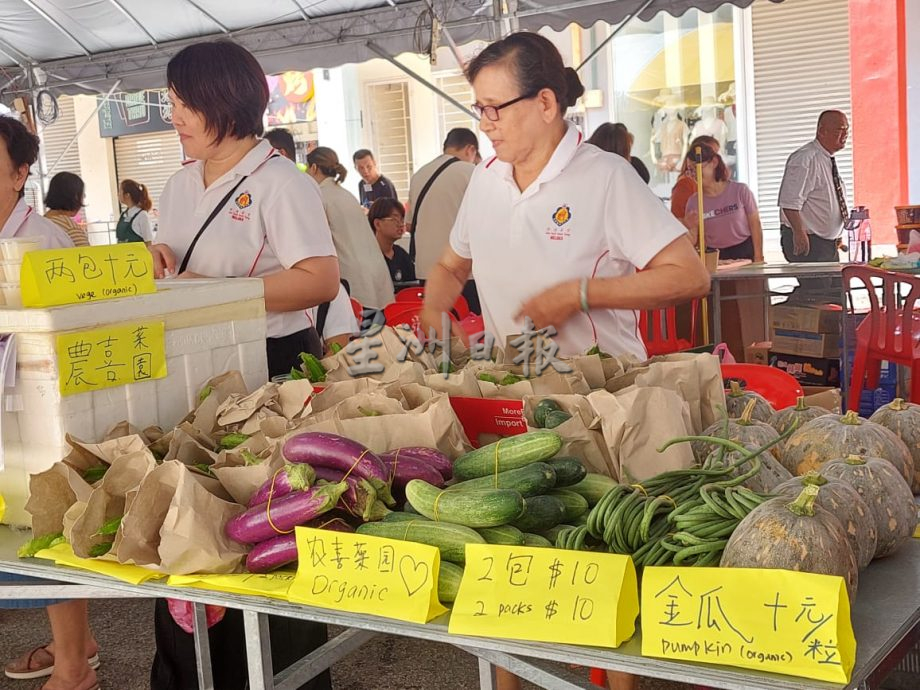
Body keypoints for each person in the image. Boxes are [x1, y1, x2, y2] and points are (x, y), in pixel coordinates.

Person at [146, 40, 338, 690]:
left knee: (266, 528)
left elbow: (319, 279)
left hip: (269, 375)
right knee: (193, 521)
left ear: (223, 102)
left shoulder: (279, 183)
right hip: (193, 371)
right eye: (171, 103)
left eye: (182, 103)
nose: (173, 116)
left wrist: (216, 291)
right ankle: (195, 673)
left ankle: (281, 672)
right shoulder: (176, 184)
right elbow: (170, 260)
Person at [420, 31, 709, 365]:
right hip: (518, 391)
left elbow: (690, 276)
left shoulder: (606, 177)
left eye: (494, 108)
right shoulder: (484, 178)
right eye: (480, 108)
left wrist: (579, 294)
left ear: (545, 103)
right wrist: (436, 308)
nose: (485, 125)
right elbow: (451, 266)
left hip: (606, 396)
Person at [0, 116, 97, 690]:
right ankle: (75, 644)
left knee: (48, 519)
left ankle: (73, 665)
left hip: (37, 402)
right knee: (15, 526)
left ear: (19, 174)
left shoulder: (43, 241)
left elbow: (63, 328)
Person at [306, 146, 394, 309]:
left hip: (355, 279)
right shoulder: (346, 194)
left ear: (314, 168)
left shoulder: (320, 196)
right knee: (378, 330)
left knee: (362, 332)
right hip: (375, 272)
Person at [406, 127, 480, 312]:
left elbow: (409, 224)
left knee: (442, 330)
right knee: (470, 328)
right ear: (470, 150)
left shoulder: (419, 175)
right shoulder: (471, 172)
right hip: (462, 271)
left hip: (427, 270)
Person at [778, 110, 850, 264]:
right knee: (816, 288)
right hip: (809, 241)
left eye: (847, 130)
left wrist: (835, 233)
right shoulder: (805, 158)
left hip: (827, 242)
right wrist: (798, 232)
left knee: (836, 287)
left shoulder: (826, 158)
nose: (845, 135)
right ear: (822, 131)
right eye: (840, 130)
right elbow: (789, 202)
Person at [683, 144, 763, 262]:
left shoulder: (740, 191)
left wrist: (758, 257)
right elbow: (694, 238)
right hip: (715, 255)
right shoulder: (693, 202)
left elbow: (755, 225)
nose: (694, 173)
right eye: (690, 170)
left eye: (696, 167)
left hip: (744, 250)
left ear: (714, 162)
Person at [669, 135, 720, 221]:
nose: (717, 159)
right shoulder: (685, 185)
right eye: (711, 154)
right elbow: (678, 220)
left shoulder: (717, 184)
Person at [369, 197, 415, 285]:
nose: (401, 224)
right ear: (377, 224)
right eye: (395, 220)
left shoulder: (401, 254)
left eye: (402, 219)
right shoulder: (367, 257)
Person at [44, 171, 89, 246]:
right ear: (75, 196)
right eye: (82, 195)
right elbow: (88, 255)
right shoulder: (70, 227)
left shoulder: (41, 222)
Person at [115, 179, 154, 244]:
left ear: (127, 195)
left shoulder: (142, 215)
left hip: (137, 254)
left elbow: (148, 242)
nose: (118, 195)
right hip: (122, 253)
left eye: (120, 192)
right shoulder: (123, 214)